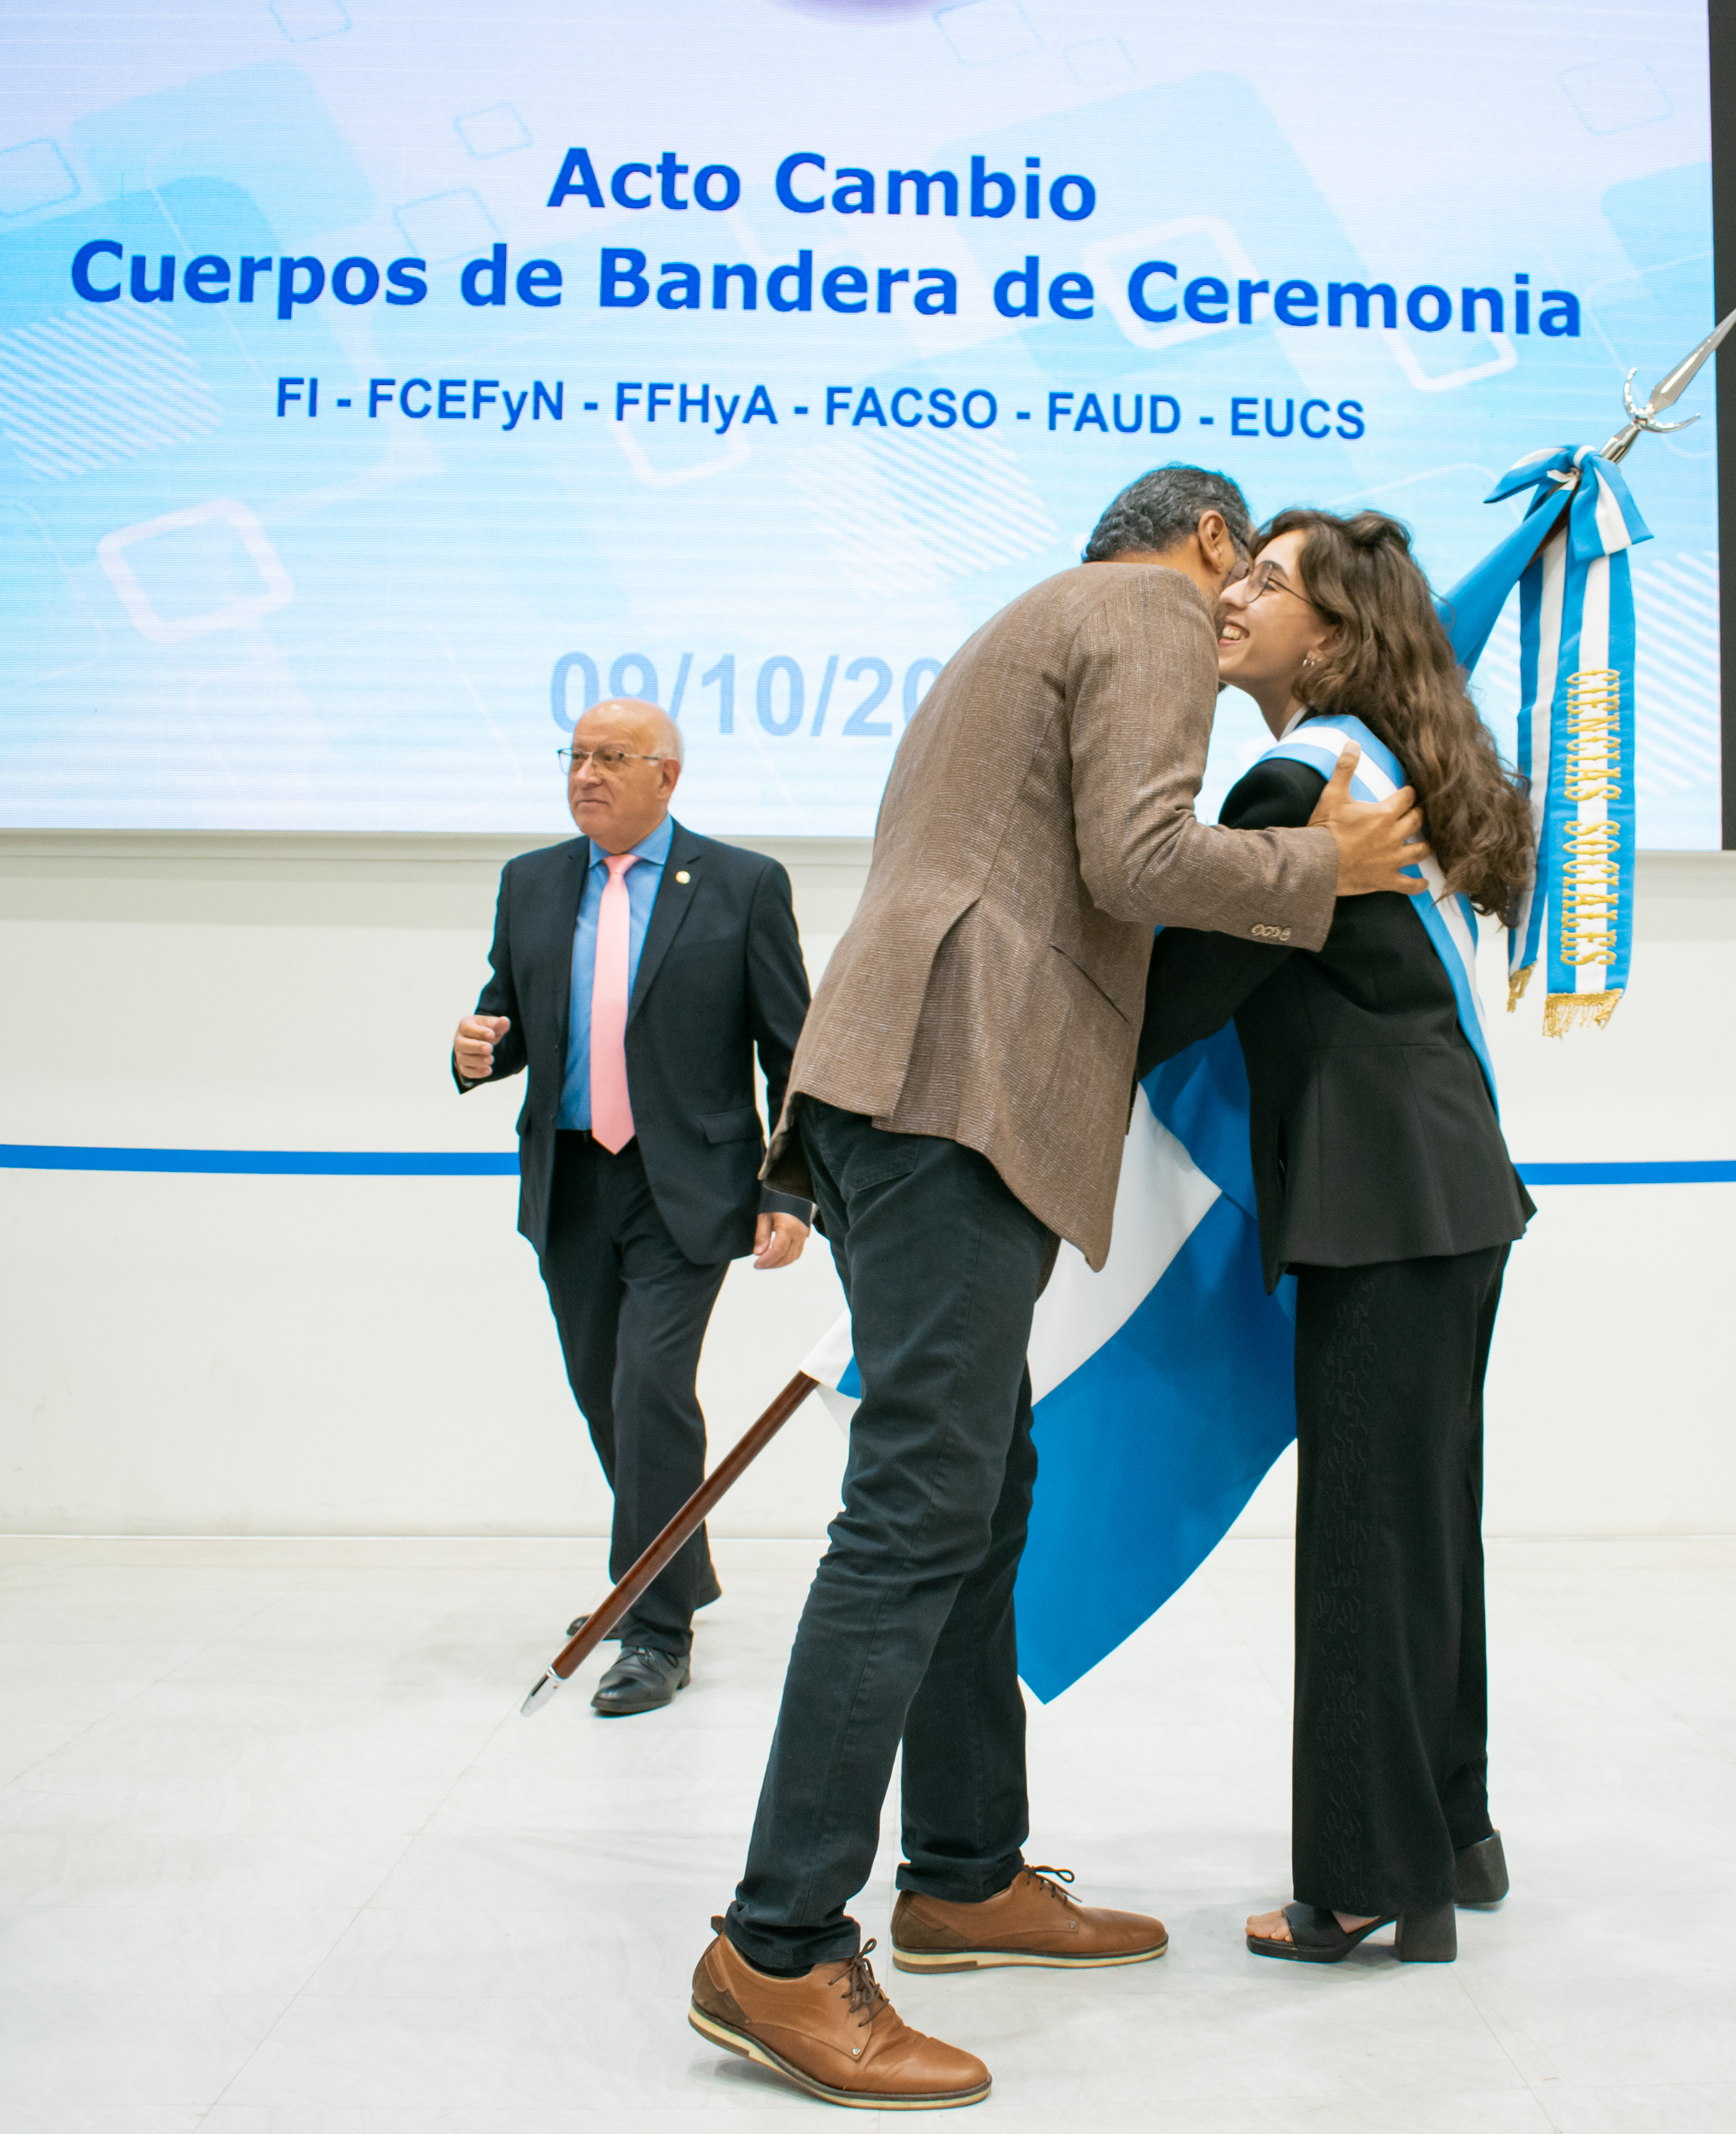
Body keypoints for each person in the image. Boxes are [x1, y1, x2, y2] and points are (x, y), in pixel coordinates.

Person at [683, 465, 1433, 2111]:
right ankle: (778, 1946)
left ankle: (961, 1872)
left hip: (899, 1081)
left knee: (980, 1488)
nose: (1239, 605)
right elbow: (1141, 854)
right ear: (1212, 541)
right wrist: (1327, 868)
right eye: (1245, 571)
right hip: (956, 1086)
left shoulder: (1028, 621)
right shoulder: (1149, 613)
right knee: (916, 1511)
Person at [1132, 507, 1534, 1965]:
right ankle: (1451, 1832)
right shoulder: (1377, 764)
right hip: (1440, 1192)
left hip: (1380, 1200)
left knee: (1368, 1532)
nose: (1233, 595)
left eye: (1268, 580)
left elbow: (1173, 993)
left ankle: (1367, 1879)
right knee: (1424, 1529)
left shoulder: (1298, 782)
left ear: (1335, 635)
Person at [453, 697, 809, 1717]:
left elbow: (792, 1048)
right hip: (570, 1179)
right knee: (603, 1389)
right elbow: (511, 1015)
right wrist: (477, 1049)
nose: (587, 774)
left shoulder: (741, 883)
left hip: (684, 1185)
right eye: (575, 755)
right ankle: (673, 1568)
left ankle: (655, 1628)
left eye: (612, 756)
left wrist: (789, 1187)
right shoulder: (531, 881)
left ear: (668, 776)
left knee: (652, 1386)